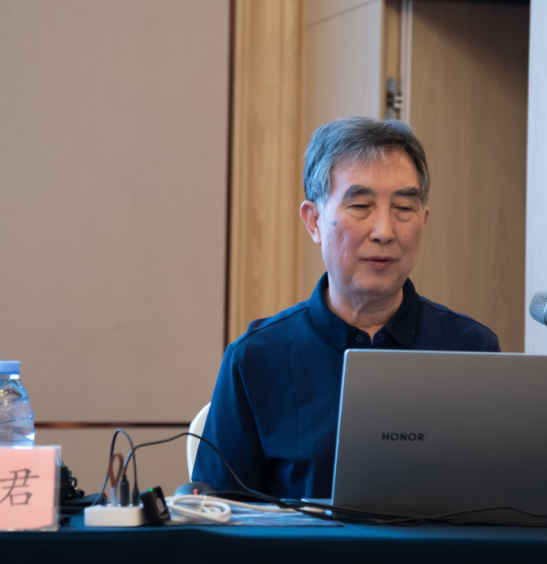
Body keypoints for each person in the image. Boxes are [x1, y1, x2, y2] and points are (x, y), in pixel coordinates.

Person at [192, 117, 500, 498]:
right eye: (360, 205)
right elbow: (214, 513)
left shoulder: (473, 349)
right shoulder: (255, 358)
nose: (384, 231)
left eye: (404, 207)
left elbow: (498, 503)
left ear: (423, 221)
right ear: (314, 221)